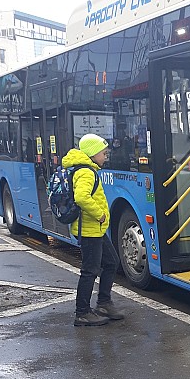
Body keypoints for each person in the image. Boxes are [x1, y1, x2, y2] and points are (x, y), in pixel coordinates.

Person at [62, 133, 125, 327]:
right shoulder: (86, 172)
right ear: (93, 154)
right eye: (103, 153)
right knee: (90, 271)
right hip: (89, 230)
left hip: (95, 230)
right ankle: (82, 313)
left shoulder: (88, 170)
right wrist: (100, 214)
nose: (106, 156)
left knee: (112, 262)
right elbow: (81, 197)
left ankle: (104, 303)